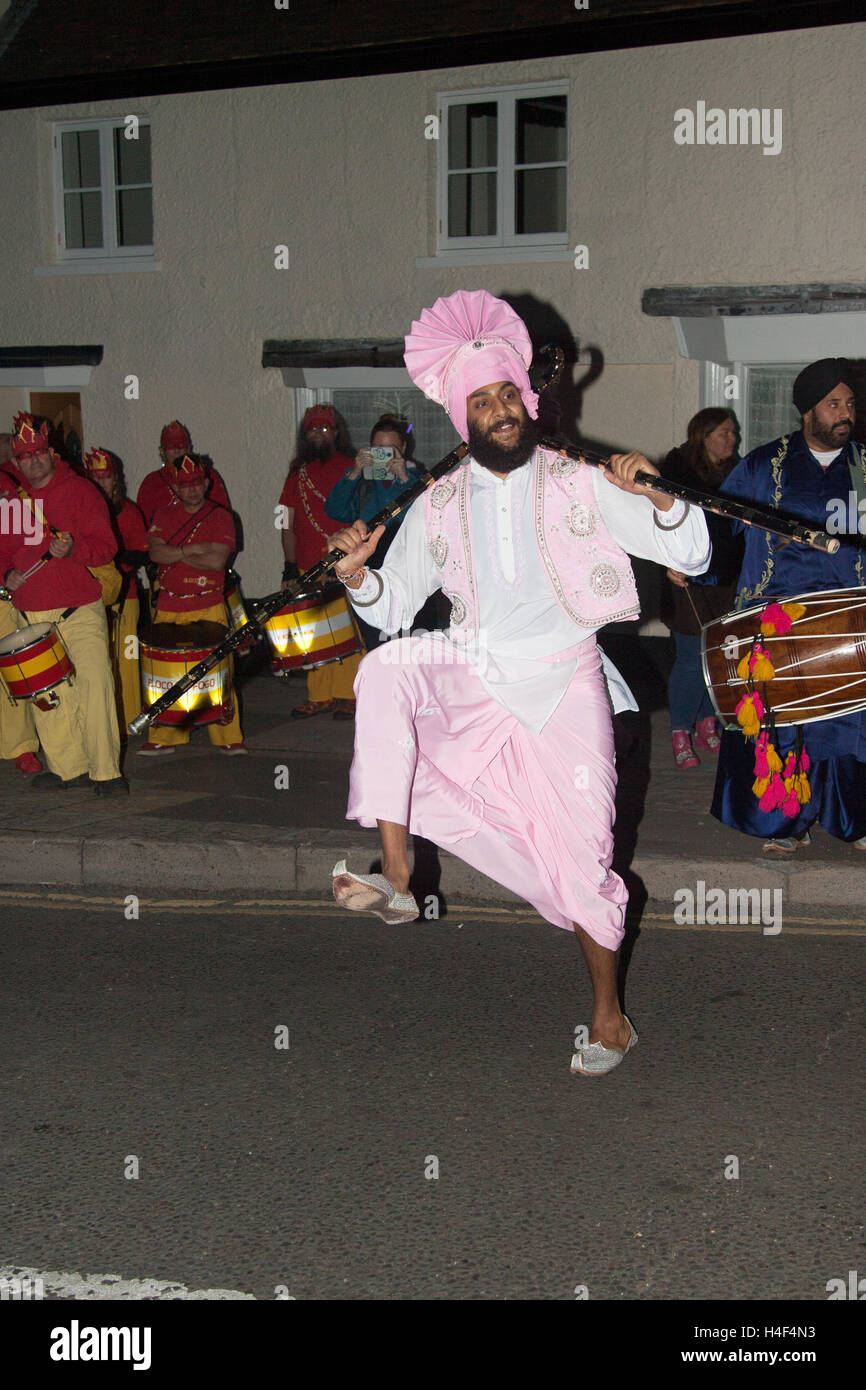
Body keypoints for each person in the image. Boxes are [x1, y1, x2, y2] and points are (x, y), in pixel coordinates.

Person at [328, 290, 710, 1076]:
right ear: (463, 417)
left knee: (583, 865)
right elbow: (393, 606)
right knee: (387, 670)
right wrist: (360, 577)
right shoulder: (436, 501)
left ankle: (611, 1021)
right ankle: (398, 876)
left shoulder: (581, 476)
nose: (501, 410)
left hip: (565, 681)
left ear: (528, 401)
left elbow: (694, 553)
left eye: (509, 394)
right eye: (484, 401)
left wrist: (660, 493)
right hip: (473, 669)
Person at [710, 358, 866, 856]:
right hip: (778, 622)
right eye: (833, 404)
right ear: (807, 412)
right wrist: (690, 565)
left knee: (853, 721)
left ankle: (855, 817)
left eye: (850, 403)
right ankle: (784, 822)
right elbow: (718, 527)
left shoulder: (865, 466)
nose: (845, 413)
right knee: (781, 723)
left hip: (854, 617)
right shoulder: (761, 466)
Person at [0, 413, 126, 793]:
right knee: (47, 695)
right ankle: (66, 767)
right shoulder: (12, 502)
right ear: (17, 461)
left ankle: (107, 772)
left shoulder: (82, 492)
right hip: (32, 610)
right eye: (26, 456)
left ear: (52, 453)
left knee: (95, 683)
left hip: (79, 609)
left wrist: (74, 549)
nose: (34, 460)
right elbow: (3, 551)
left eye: (39, 452)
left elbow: (107, 547)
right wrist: (6, 575)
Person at [141, 453, 246, 755]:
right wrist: (195, 548)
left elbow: (217, 561)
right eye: (184, 485)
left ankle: (228, 735)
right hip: (169, 604)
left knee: (217, 671)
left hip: (208, 603)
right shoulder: (163, 515)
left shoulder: (222, 516)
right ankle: (165, 735)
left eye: (197, 483)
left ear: (207, 483)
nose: (191, 490)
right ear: (174, 487)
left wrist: (176, 551)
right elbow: (155, 555)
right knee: (163, 673)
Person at [659, 408, 741, 768]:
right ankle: (680, 730)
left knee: (720, 657)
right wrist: (668, 562)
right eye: (723, 432)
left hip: (729, 578)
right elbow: (657, 523)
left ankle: (708, 721)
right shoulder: (676, 471)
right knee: (692, 658)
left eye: (733, 432)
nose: (732, 439)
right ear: (702, 435)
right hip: (689, 578)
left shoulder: (739, 473)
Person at [278, 404, 365, 720]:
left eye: (324, 428)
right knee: (315, 635)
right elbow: (286, 522)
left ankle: (350, 695)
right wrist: (289, 565)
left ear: (336, 432)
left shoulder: (352, 467)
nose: (318, 433)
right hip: (306, 565)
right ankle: (320, 695)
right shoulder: (296, 474)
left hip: (345, 563)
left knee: (348, 632)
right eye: (312, 429)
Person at [325, 414, 422, 651]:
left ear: (404, 448)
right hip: (369, 572)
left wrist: (404, 478)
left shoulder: (418, 479)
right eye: (378, 449)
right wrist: (355, 471)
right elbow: (334, 510)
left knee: (410, 648)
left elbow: (426, 516)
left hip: (410, 573)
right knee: (376, 646)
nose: (384, 455)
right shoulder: (363, 484)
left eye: (391, 449)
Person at [83, 448, 149, 735]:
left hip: (126, 596)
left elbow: (143, 555)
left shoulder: (129, 511)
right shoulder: (82, 511)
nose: (101, 483)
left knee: (127, 659)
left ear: (116, 479)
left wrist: (111, 556)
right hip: (89, 596)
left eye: (106, 477)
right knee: (96, 661)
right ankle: (101, 722)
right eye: (95, 477)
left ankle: (129, 720)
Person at [0, 434, 43, 773]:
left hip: (30, 591)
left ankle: (30, 744)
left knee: (29, 670)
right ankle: (20, 746)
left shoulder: (19, 487)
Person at [137, 421, 231, 526]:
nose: (177, 450)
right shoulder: (151, 482)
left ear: (189, 449)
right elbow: (141, 524)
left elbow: (223, 515)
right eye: (171, 446)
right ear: (162, 451)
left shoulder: (208, 474)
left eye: (181, 445)